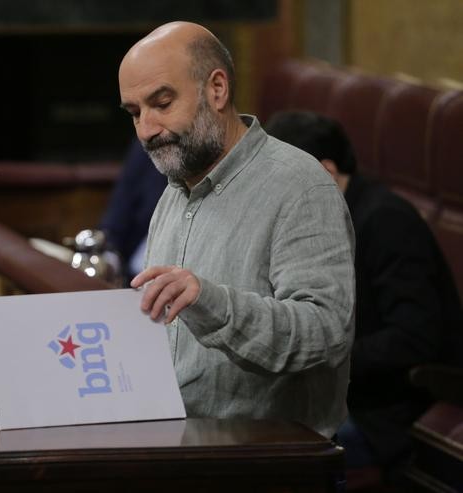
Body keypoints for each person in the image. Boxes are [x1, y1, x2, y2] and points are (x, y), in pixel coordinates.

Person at [119, 21, 355, 439]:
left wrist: (213, 304)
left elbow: (324, 333)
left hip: (267, 459)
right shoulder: (174, 190)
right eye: (135, 113)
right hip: (179, 443)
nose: (146, 130)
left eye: (162, 102)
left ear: (217, 90)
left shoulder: (300, 186)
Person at [265, 110, 463, 472]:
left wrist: (320, 359)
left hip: (385, 410)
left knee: (265, 459)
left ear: (324, 171)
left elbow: (414, 338)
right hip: (330, 395)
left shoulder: (387, 221)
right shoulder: (311, 222)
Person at [99, 139, 167, 281]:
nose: (145, 127)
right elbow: (120, 207)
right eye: (136, 116)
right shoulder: (147, 141)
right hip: (132, 272)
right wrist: (108, 256)